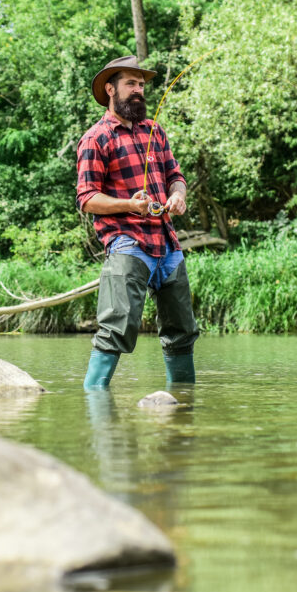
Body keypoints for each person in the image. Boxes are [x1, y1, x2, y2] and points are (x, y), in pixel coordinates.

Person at [76, 55, 199, 391]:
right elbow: (87, 198)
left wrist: (178, 195)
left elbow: (175, 175)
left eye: (141, 84)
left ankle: (182, 407)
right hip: (126, 243)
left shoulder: (154, 132)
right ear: (110, 89)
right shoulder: (96, 138)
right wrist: (129, 205)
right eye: (131, 83)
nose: (138, 91)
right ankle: (95, 403)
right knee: (116, 327)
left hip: (167, 243)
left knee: (183, 331)